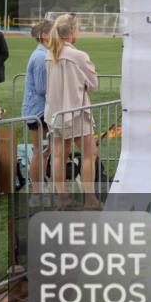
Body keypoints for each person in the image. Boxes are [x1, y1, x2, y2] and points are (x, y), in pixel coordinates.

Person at [45, 14, 98, 193]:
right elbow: (93, 84)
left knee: (59, 155)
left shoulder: (50, 54)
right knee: (90, 154)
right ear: (72, 31)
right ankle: (90, 198)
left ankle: (62, 197)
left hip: (55, 113)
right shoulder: (78, 55)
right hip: (76, 112)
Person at [21, 20, 53, 186]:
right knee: (40, 151)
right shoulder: (41, 57)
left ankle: (40, 185)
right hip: (37, 111)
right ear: (44, 36)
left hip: (39, 110)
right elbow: (42, 89)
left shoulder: (43, 54)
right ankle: (36, 189)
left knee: (44, 151)